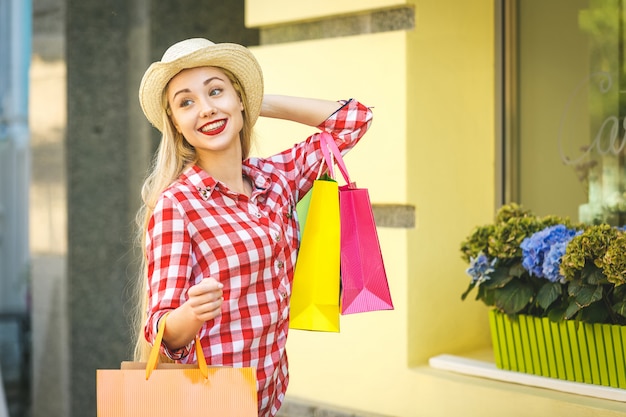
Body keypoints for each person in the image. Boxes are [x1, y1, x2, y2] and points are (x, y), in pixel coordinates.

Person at [132, 37, 373, 417]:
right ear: (176, 124)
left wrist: (258, 101)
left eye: (216, 91)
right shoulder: (177, 206)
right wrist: (192, 312)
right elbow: (162, 332)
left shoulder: (276, 179)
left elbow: (354, 121)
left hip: (267, 393)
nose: (206, 109)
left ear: (240, 99)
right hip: (209, 402)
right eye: (186, 102)